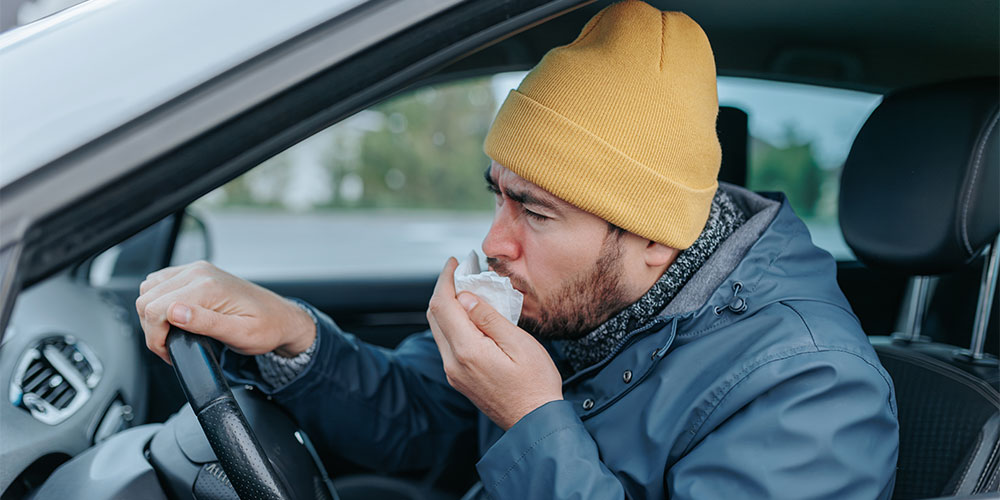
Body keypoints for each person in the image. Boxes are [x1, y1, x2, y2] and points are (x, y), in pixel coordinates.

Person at [135, 1, 899, 498]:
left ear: (656, 240)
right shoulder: (574, 302)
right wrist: (298, 339)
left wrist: (533, 416)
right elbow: (434, 421)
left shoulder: (813, 390)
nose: (493, 241)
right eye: (498, 193)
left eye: (534, 211)